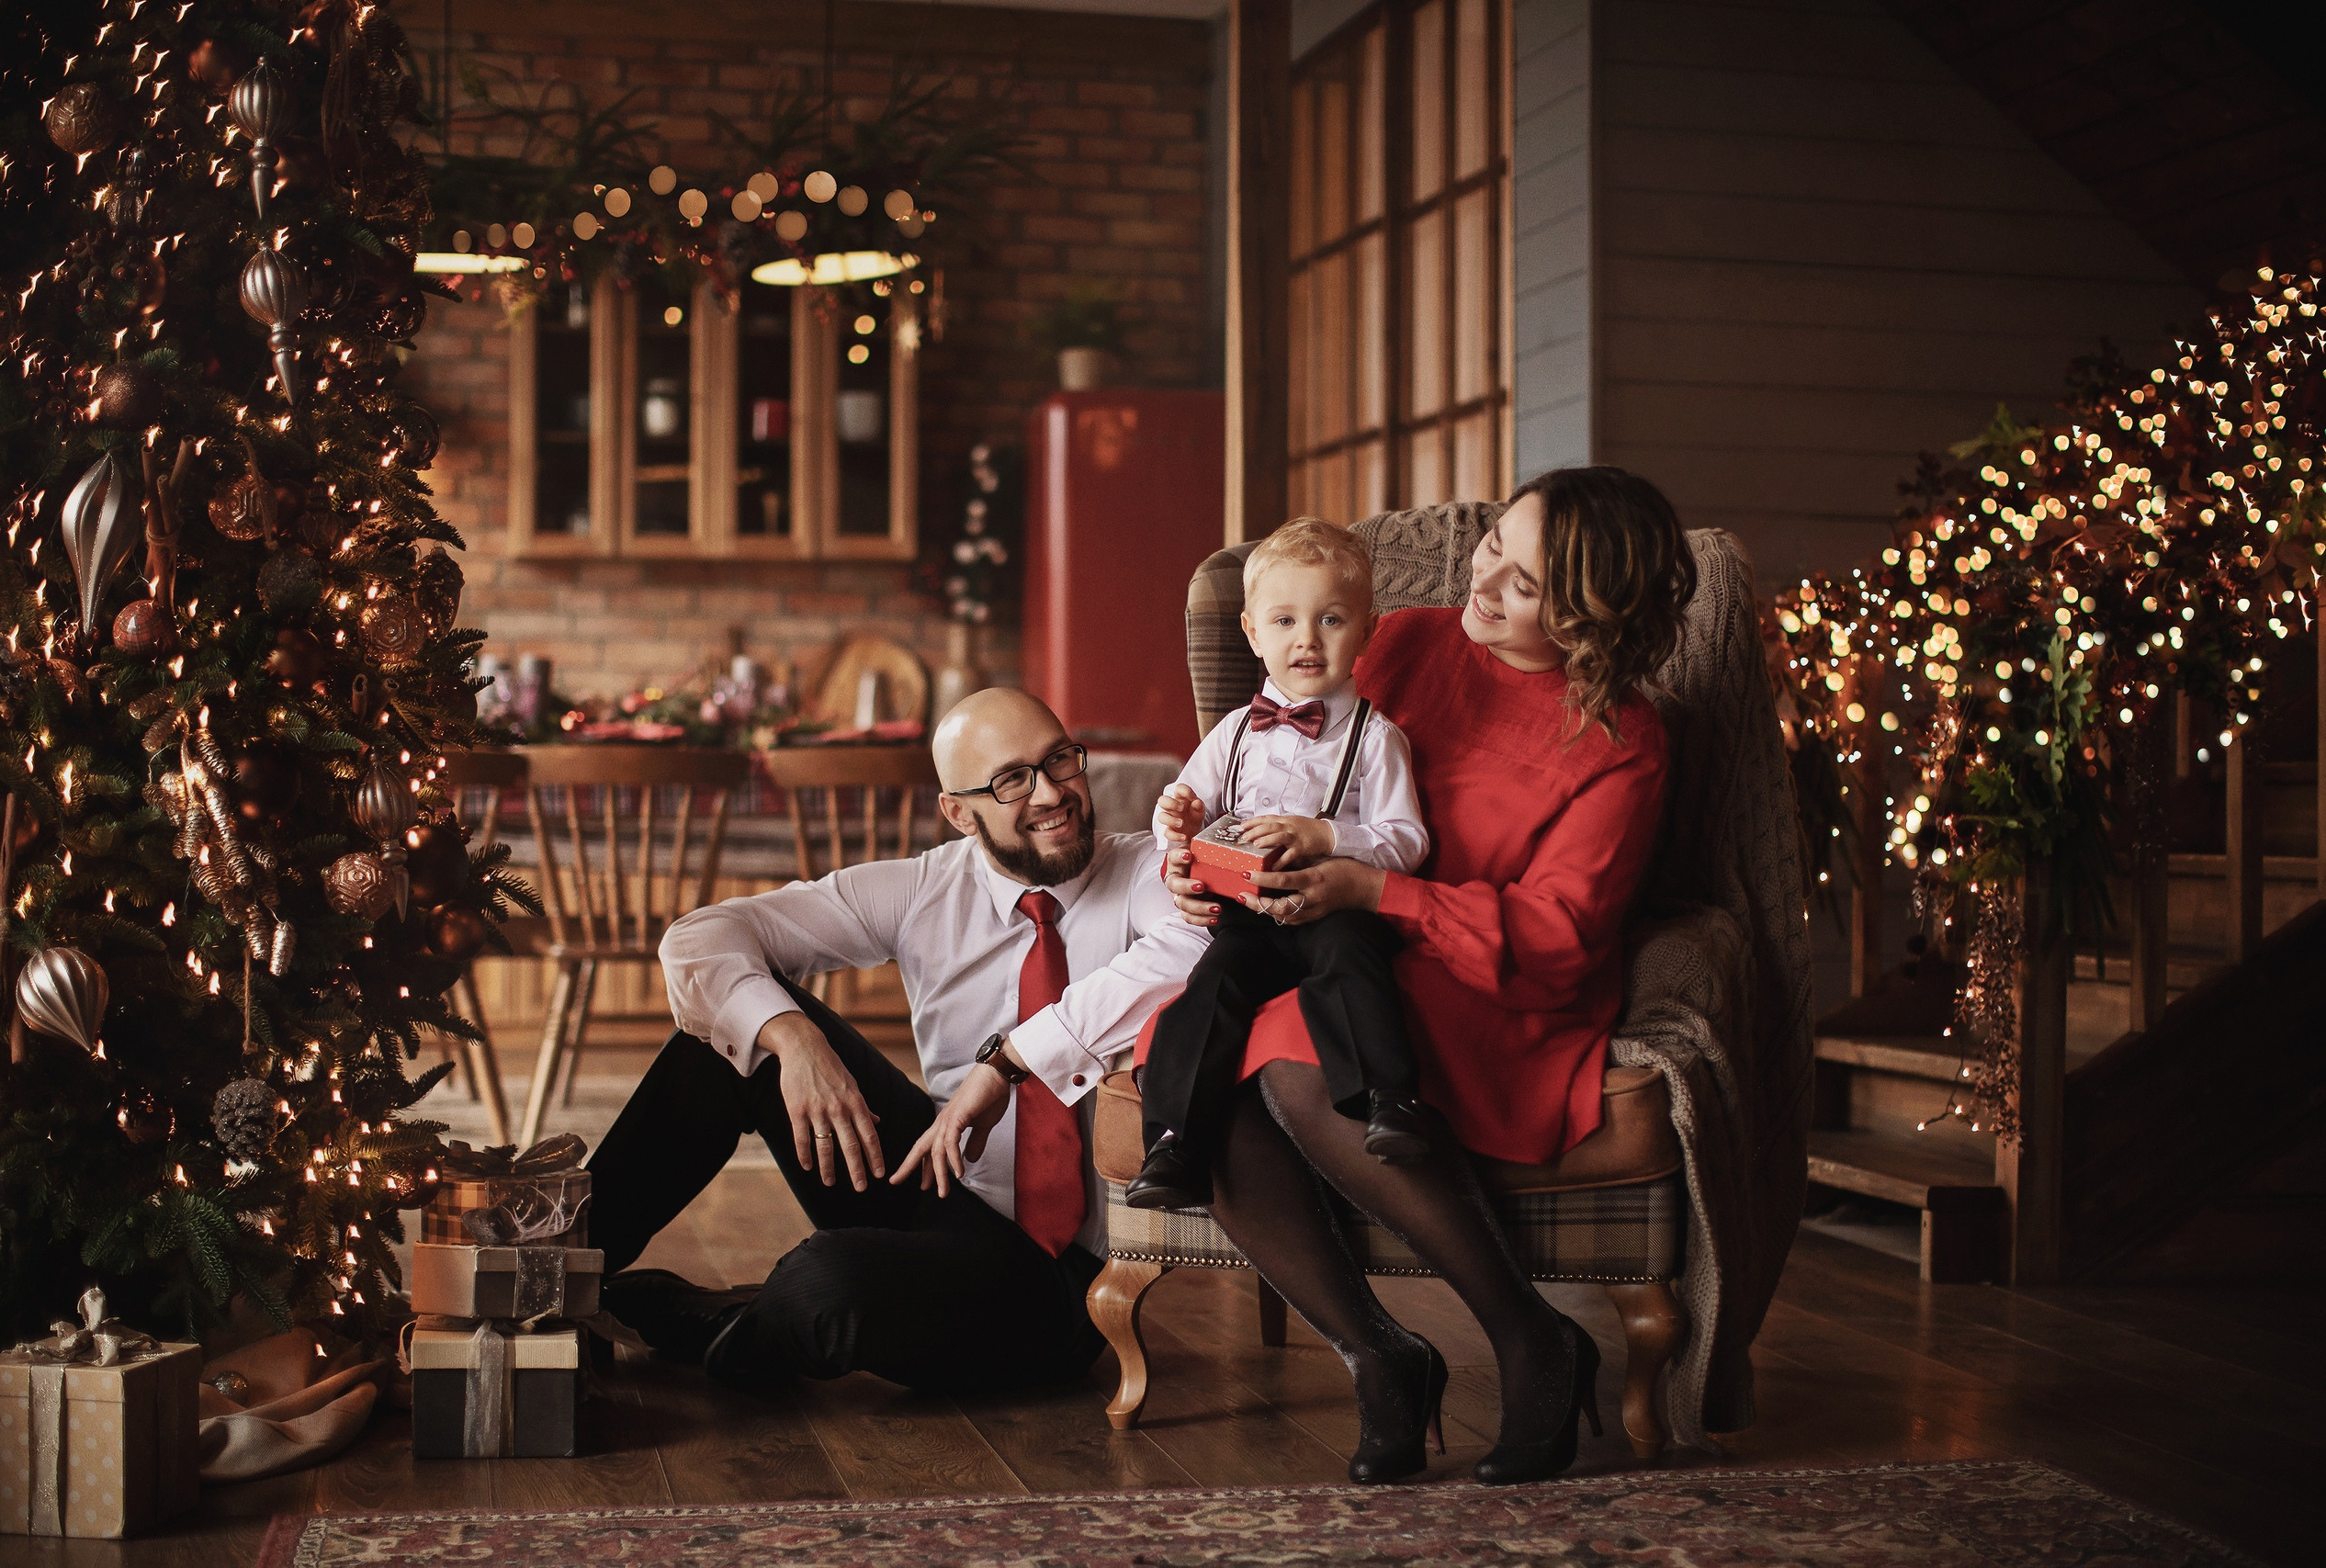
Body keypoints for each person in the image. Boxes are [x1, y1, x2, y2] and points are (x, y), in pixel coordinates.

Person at [1166, 466, 1695, 1486]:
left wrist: (1372, 895)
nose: (1482, 582)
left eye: (1526, 585)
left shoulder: (1623, 742)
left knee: (1297, 1059)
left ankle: (1528, 1337)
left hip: (1494, 981)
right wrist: (1207, 874)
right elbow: (1269, 783)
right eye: (1495, 541)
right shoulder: (1402, 640)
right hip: (1335, 946)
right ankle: (1379, 1355)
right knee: (1191, 1062)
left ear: (1589, 619)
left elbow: (1558, 936)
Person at [588, 688, 1206, 1394]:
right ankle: (545, 1279)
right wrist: (793, 1038)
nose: (1052, 793)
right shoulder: (924, 889)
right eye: (1012, 779)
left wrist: (1010, 1062)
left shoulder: (1144, 875)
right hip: (935, 1188)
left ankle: (724, 1318)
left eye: (1060, 759)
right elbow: (698, 939)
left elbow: (1195, 950)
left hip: (1058, 1283)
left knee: (827, 1284)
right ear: (958, 811)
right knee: (726, 1044)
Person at [1127, 518, 1429, 1212]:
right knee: (1208, 991)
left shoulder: (1377, 738)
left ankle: (1390, 1102)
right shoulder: (1233, 731)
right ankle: (1175, 1142)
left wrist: (1327, 835)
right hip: (1251, 916)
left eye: (1331, 619)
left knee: (1353, 963)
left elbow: (1408, 841)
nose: (1307, 639)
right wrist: (1174, 827)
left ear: (1368, 630)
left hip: (1335, 908)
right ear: (1252, 631)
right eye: (1286, 620)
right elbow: (1182, 814)